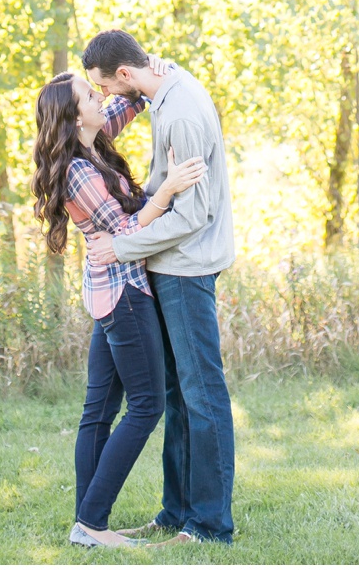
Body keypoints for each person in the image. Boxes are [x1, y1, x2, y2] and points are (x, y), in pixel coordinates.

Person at [31, 68, 207, 551]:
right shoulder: (79, 172)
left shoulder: (90, 141)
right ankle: (91, 523)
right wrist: (168, 189)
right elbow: (125, 234)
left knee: (99, 411)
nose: (100, 96)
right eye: (91, 94)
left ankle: (86, 523)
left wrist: (153, 74)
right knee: (146, 406)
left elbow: (127, 101)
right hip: (124, 294)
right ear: (74, 114)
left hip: (106, 292)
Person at [81, 28, 239, 546]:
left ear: (125, 75)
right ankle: (175, 513)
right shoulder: (161, 92)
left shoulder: (182, 110)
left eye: (105, 89)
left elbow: (194, 213)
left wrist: (123, 246)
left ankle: (209, 525)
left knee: (201, 394)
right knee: (176, 395)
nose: (105, 101)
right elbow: (162, 185)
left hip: (186, 267)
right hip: (165, 263)